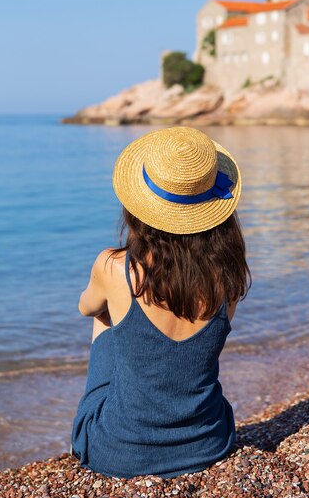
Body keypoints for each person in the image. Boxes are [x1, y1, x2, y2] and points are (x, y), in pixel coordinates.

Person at [71, 126, 251, 479]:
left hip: (119, 453)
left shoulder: (113, 266)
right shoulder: (228, 275)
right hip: (209, 442)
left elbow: (85, 307)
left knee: (105, 314)